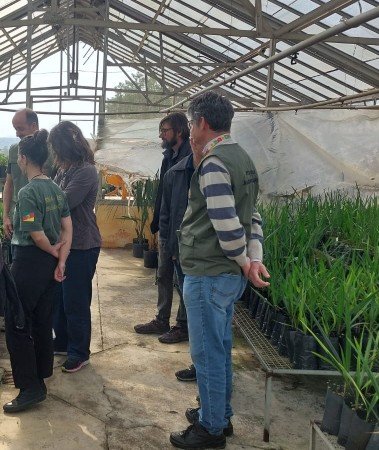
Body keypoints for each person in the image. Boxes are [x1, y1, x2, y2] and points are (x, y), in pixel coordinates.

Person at [169, 91, 270, 449]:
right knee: (220, 347)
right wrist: (252, 259)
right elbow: (252, 217)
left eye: (192, 123)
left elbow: (227, 227)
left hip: (210, 273)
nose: (190, 131)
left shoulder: (214, 165)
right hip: (227, 276)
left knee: (207, 352)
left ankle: (210, 429)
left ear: (202, 123)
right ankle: (219, 415)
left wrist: (244, 261)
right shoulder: (241, 158)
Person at [3, 130, 72, 413]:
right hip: (49, 264)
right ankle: (40, 376)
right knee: (42, 320)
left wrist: (54, 252)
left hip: (30, 261)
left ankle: (29, 387)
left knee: (17, 322)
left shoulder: (28, 192)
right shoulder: (57, 189)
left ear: (23, 159)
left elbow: (34, 232)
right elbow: (68, 229)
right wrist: (61, 260)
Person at [49, 121, 101, 373]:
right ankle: (63, 341)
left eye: (56, 148)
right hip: (64, 244)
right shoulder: (64, 169)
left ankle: (80, 352)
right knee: (59, 298)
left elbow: (63, 202)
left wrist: (41, 201)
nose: (54, 154)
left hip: (81, 244)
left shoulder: (86, 171)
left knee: (76, 301)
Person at [134, 113, 192, 342]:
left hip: (183, 230)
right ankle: (161, 320)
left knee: (183, 280)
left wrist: (179, 233)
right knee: (163, 274)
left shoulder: (191, 157)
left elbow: (185, 201)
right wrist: (158, 224)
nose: (161, 135)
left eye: (165, 130)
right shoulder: (169, 156)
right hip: (167, 226)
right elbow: (164, 195)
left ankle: (183, 325)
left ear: (179, 131)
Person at [2, 108, 40, 240]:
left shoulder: (50, 151)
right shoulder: (14, 150)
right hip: (16, 217)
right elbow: (9, 183)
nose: (17, 133)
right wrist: (6, 216)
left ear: (34, 126)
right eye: (15, 129)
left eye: (20, 129)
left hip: (40, 219)